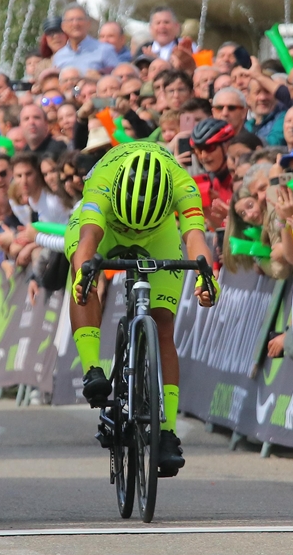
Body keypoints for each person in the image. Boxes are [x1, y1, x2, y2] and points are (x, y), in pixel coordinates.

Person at [65, 142, 218, 477]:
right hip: (104, 227)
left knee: (163, 325)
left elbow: (196, 239)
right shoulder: (102, 181)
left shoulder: (182, 183)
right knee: (84, 281)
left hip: (159, 233)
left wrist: (207, 277)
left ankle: (166, 433)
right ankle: (92, 370)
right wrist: (84, 274)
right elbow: (89, 236)